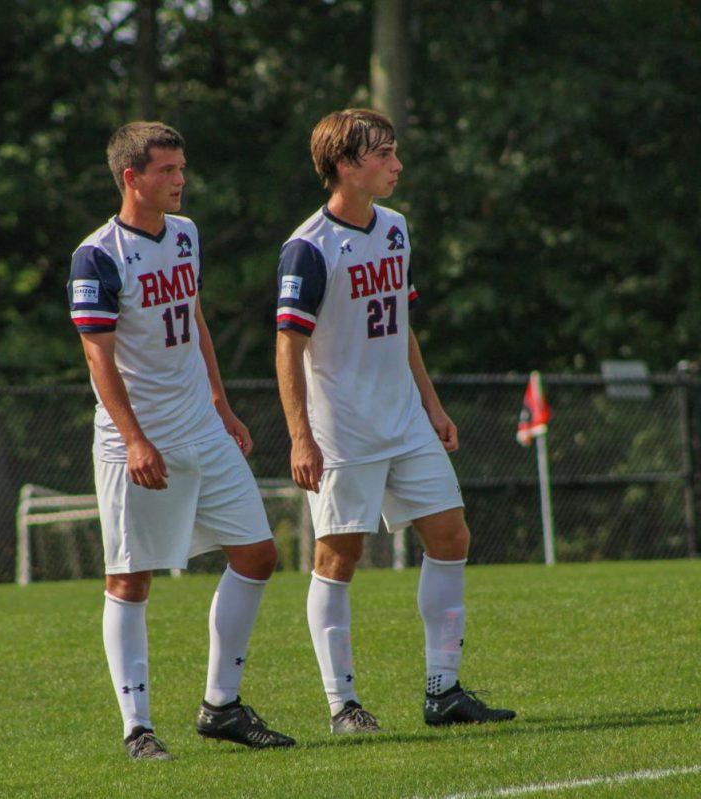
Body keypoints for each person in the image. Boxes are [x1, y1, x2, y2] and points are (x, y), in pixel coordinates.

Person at [274, 108, 517, 733]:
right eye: (383, 153)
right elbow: (288, 347)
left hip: (405, 419)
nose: (396, 164)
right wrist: (300, 436)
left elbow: (401, 325)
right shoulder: (308, 248)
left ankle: (444, 691)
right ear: (346, 166)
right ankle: (343, 705)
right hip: (343, 428)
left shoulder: (396, 228)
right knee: (339, 556)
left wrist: (432, 406)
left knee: (451, 535)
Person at [69, 121, 295, 760]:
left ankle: (221, 706)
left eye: (182, 168)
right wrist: (135, 440)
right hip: (137, 441)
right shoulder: (98, 255)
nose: (180, 181)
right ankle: (138, 729)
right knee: (130, 580)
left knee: (257, 554)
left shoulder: (187, 233)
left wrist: (222, 403)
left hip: (201, 425)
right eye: (167, 170)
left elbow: (194, 318)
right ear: (131, 177)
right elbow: (98, 357)